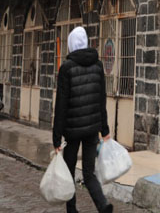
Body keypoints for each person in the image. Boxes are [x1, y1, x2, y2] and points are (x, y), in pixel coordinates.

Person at [53, 26, 113, 213]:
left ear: (70, 44)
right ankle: (102, 205)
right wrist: (104, 129)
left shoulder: (66, 68)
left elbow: (61, 104)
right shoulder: (98, 66)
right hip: (92, 130)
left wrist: (56, 137)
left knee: (69, 171)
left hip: (72, 131)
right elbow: (101, 98)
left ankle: (72, 210)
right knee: (89, 172)